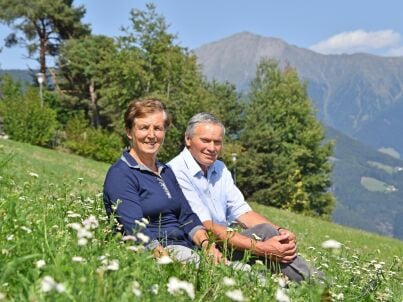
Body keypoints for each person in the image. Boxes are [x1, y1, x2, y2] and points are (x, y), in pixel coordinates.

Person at [168, 112, 321, 282]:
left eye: (217, 142)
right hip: (202, 246)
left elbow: (242, 212)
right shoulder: (175, 172)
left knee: (268, 231)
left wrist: (281, 231)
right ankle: (319, 288)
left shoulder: (219, 168)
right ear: (188, 139)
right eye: (205, 140)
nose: (212, 148)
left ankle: (315, 285)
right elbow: (206, 226)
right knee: (267, 241)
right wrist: (261, 248)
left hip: (226, 241)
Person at [103, 100, 222, 264]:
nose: (151, 135)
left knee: (248, 274)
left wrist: (208, 247)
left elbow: (187, 216)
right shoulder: (121, 174)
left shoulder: (166, 171)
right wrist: (166, 262)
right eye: (144, 127)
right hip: (159, 252)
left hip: (188, 247)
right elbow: (135, 227)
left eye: (158, 128)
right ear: (129, 132)